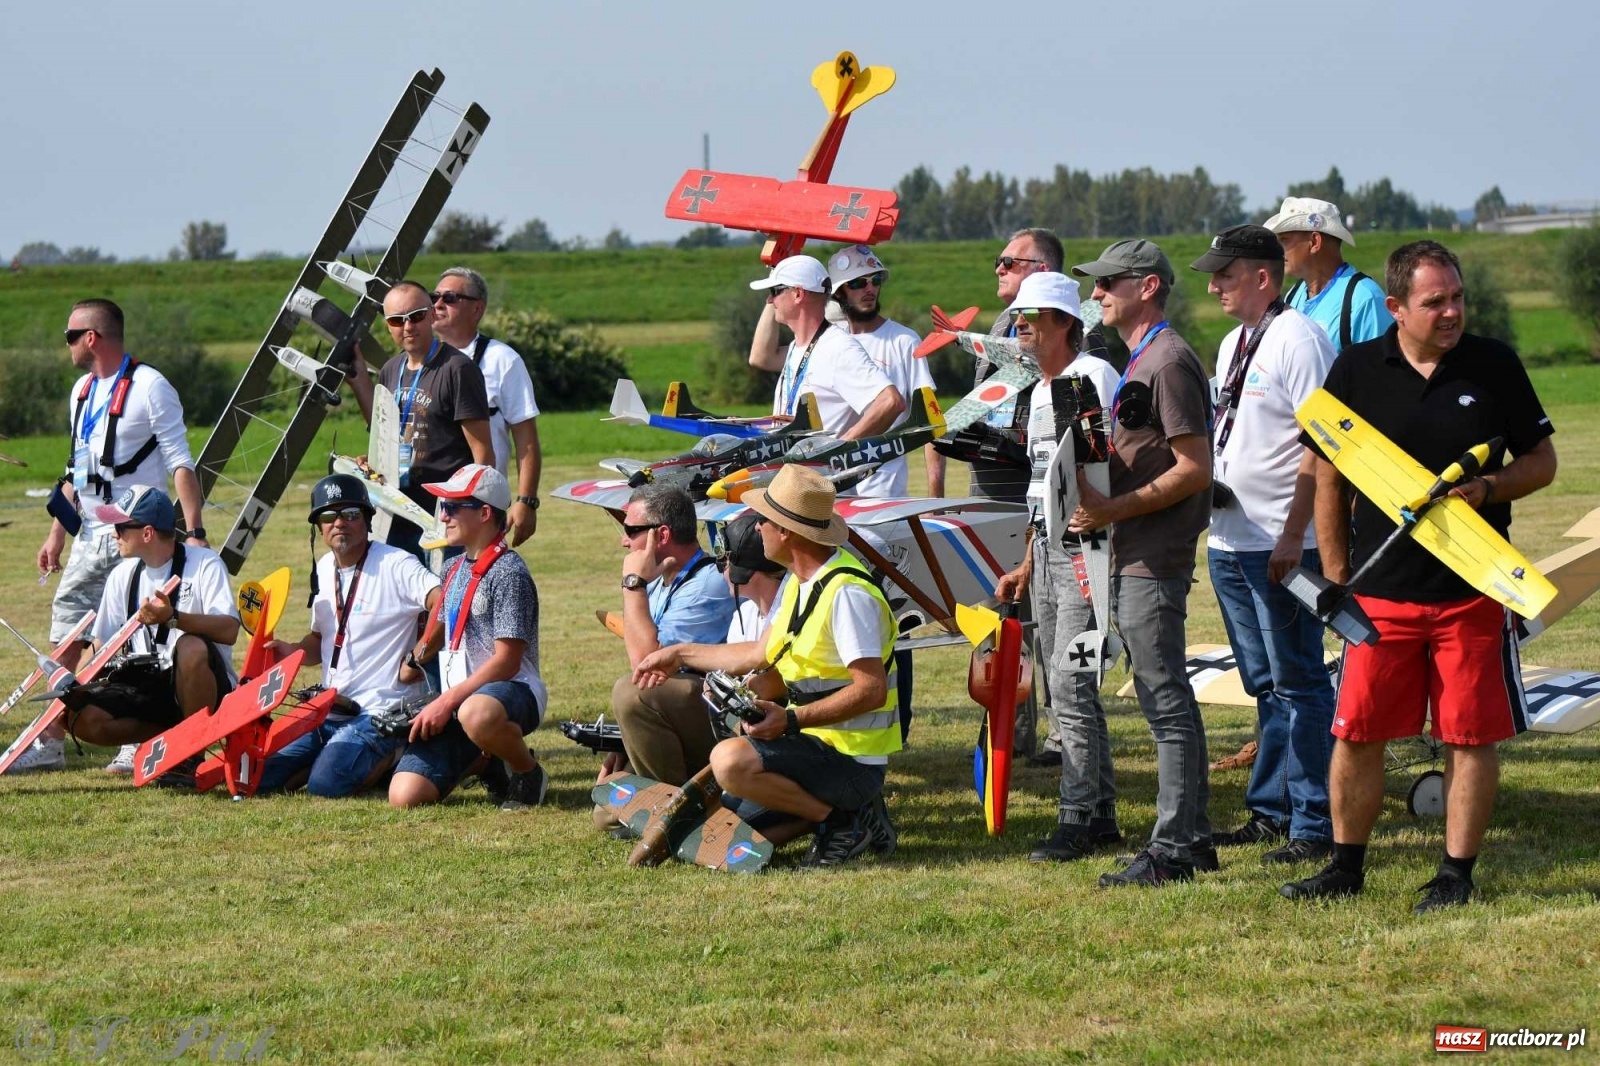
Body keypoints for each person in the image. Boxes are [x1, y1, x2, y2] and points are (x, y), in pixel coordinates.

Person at [1281, 240, 1557, 913]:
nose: (1453, 311)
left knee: (1471, 736)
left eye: (1458, 298)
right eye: (1436, 302)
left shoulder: (1494, 366)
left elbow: (1543, 461)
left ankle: (1456, 875)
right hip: (1380, 599)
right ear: (1397, 307)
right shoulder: (1356, 369)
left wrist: (1489, 489)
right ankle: (1346, 867)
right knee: (1357, 733)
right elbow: (1327, 473)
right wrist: (1338, 570)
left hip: (1473, 593)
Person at [634, 464, 899, 868]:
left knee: (729, 761)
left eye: (763, 521)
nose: (757, 530)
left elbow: (871, 690)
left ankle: (843, 819)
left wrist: (789, 722)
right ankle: (852, 818)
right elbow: (757, 655)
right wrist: (681, 655)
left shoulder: (847, 594)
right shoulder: (801, 580)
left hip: (850, 760)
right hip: (818, 749)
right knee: (728, 825)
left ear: (787, 531)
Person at [1069, 239, 1216, 886]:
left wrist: (1113, 509)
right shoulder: (1142, 358)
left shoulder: (1168, 360)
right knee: (1162, 698)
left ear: (1147, 287)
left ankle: (1175, 848)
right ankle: (1193, 838)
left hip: (1154, 557)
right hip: (1134, 552)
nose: (1097, 293)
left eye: (1109, 283)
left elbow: (1195, 468)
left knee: (1164, 700)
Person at [1191, 225, 1339, 865]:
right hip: (1230, 539)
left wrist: (1291, 534)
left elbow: (1323, 444)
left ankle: (1314, 823)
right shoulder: (1232, 343)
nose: (1213, 284)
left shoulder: (1300, 340)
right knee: (1266, 686)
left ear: (1262, 277)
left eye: (1225, 273)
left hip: (1282, 542)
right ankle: (1271, 811)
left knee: (1301, 682)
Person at [18, 299, 209, 776]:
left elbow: (180, 462)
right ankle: (51, 741)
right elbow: (76, 471)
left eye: (69, 335)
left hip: (137, 535)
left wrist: (196, 531)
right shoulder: (81, 391)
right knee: (65, 634)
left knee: (132, 638)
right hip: (90, 537)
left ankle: (133, 733)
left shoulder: (150, 387)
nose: (66, 345)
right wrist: (56, 534)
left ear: (92, 337)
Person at [990, 272, 1122, 863]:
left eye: (1034, 316)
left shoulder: (1094, 378)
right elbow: (1046, 488)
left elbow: (1112, 471)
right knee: (1065, 682)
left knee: (1072, 683)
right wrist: (1024, 562)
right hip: (1047, 553)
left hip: (1087, 552)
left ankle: (1076, 819)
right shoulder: (1041, 391)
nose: (1022, 325)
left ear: (1066, 323)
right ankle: (1102, 815)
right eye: (1020, 315)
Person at [255, 474, 442, 797]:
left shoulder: (396, 563)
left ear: (368, 520)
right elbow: (321, 639)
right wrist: (292, 652)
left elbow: (443, 600)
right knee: (260, 776)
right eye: (328, 516)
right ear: (319, 528)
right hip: (330, 707)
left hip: (380, 710)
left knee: (326, 785)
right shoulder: (325, 568)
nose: (339, 523)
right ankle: (334, 757)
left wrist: (418, 657)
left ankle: (398, 754)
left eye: (351, 514)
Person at [390, 465, 549, 809]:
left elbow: (507, 663)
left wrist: (444, 703)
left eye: (451, 507)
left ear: (485, 513)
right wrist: (413, 662)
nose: (442, 515)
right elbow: (436, 632)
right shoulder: (452, 568)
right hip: (461, 698)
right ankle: (485, 759)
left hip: (509, 691)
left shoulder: (509, 572)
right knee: (404, 796)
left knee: (476, 714)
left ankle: (527, 773)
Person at [55, 487, 238, 786]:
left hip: (204, 687)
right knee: (77, 719)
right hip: (150, 687)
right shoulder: (122, 575)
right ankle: (167, 736)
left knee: (190, 646)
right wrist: (69, 689)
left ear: (148, 533)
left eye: (121, 527)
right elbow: (101, 645)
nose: (114, 534)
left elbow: (230, 630)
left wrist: (174, 618)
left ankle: (189, 754)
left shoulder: (205, 563)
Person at [606, 485, 736, 787]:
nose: (623, 541)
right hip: (685, 710)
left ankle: (669, 806)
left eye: (631, 530)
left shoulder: (706, 584)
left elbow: (645, 663)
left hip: (723, 720)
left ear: (661, 535)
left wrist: (632, 584)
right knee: (607, 811)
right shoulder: (658, 579)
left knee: (631, 693)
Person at [374, 281, 494, 564]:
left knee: (445, 602)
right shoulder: (390, 370)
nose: (407, 327)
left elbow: (483, 453)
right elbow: (386, 438)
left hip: (446, 517)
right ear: (387, 325)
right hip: (397, 514)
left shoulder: (458, 368)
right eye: (396, 320)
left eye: (415, 316)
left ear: (431, 315)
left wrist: (480, 515)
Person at [813, 244, 942, 497]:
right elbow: (762, 358)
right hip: (830, 492)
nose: (870, 288)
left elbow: (931, 423)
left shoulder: (904, 340)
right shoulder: (829, 344)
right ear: (838, 294)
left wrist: (936, 497)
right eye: (858, 283)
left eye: (876, 279)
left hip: (883, 498)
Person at [430, 267, 543, 546]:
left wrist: (526, 501)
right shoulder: (420, 360)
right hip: (421, 503)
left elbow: (526, 439)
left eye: (451, 298)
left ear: (477, 309)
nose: (438, 304)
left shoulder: (502, 360)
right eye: (434, 297)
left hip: (476, 510)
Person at [746, 255, 904, 440]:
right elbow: (760, 358)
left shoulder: (838, 348)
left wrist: (840, 447)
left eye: (775, 291)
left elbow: (890, 402)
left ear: (798, 294)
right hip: (792, 468)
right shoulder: (800, 346)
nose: (770, 301)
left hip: (820, 469)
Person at [1263, 196, 1393, 350]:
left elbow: (1380, 370)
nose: (1279, 249)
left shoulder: (1365, 299)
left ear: (1314, 242)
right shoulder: (1294, 294)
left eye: (1284, 240)